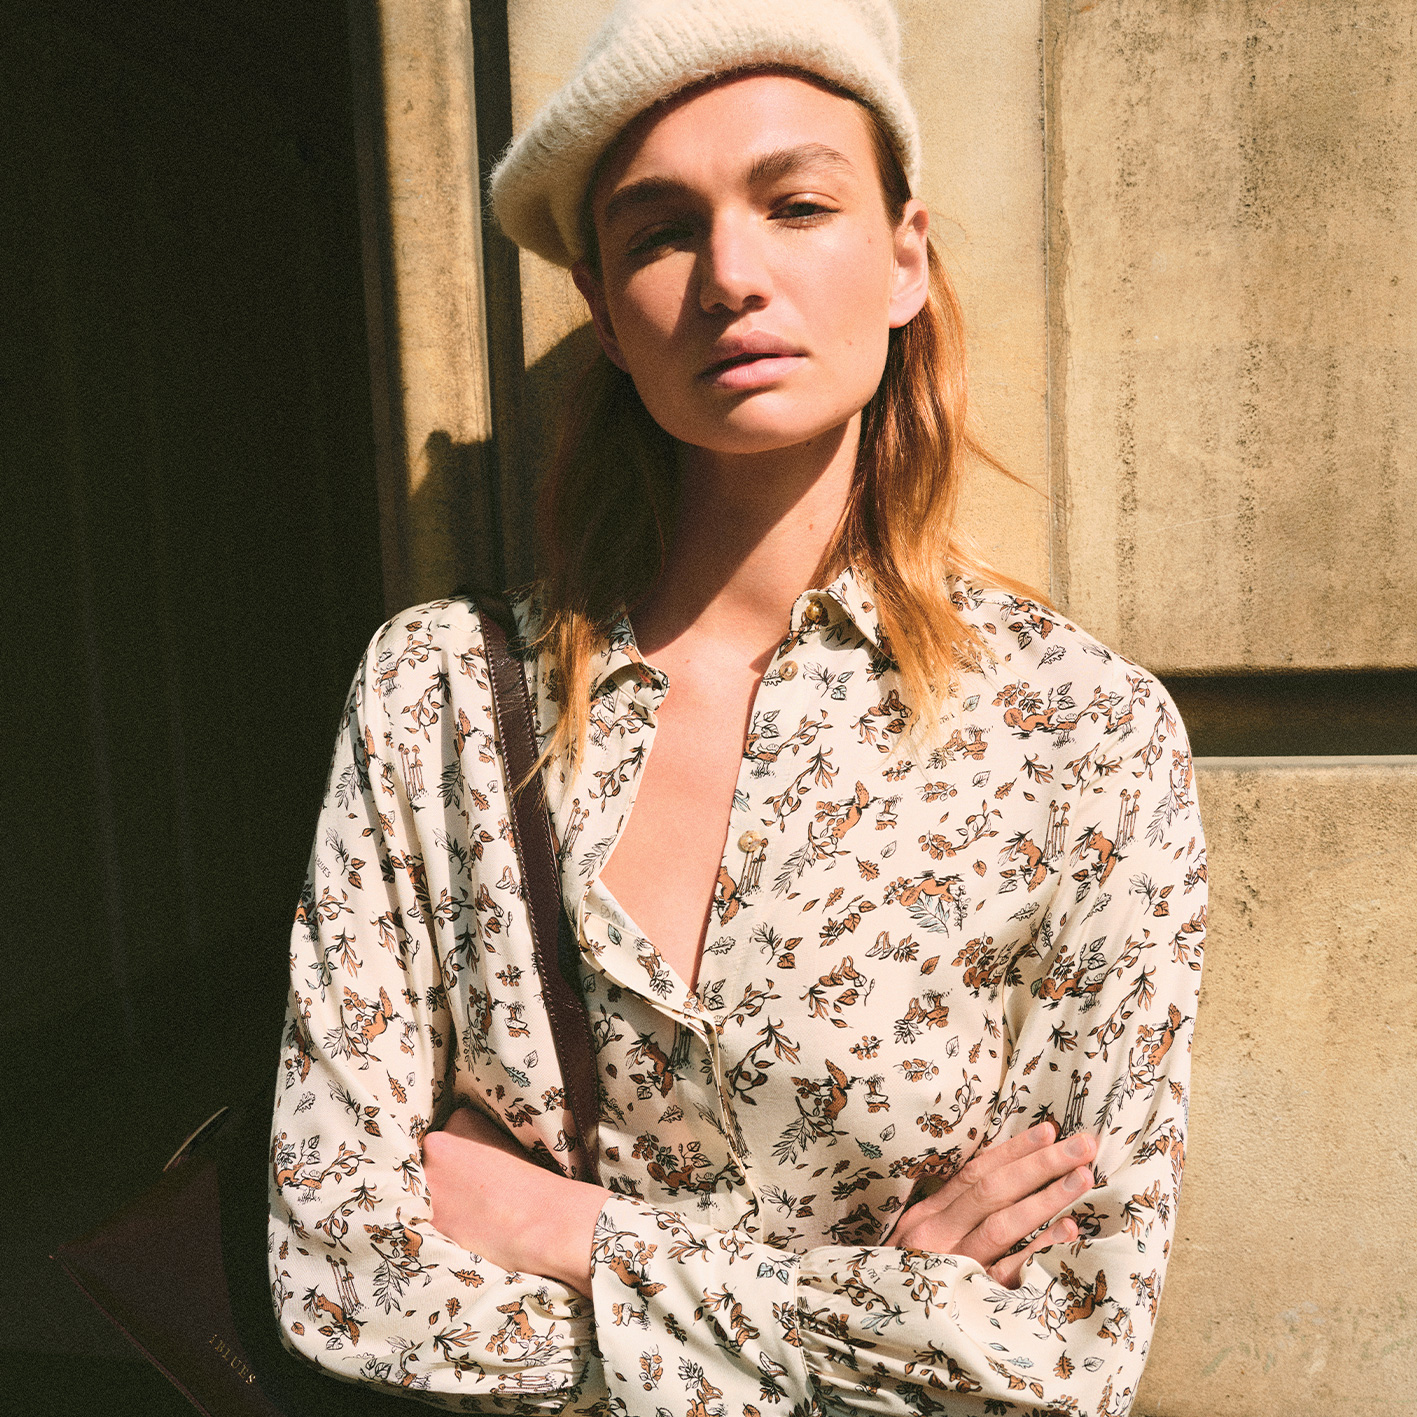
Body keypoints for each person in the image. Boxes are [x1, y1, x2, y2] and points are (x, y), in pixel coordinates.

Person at [268, 2, 1205, 1413]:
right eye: (660, 232)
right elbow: (343, 1279)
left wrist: (563, 1230)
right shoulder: (437, 696)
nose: (729, 277)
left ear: (903, 257)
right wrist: (879, 1307)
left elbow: (1062, 1354)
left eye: (797, 204)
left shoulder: (1081, 736)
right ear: (603, 306)